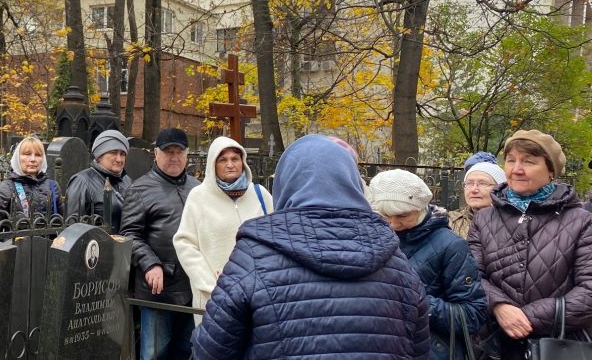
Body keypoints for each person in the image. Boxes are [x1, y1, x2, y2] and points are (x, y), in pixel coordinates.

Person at [192, 134, 430, 359]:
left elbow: (210, 351)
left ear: (286, 182)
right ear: (351, 181)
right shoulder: (397, 262)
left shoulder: (254, 256)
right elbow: (418, 349)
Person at [468, 130, 592, 359]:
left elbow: (589, 290)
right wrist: (499, 306)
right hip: (495, 346)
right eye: (511, 160)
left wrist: (527, 317)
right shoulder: (485, 218)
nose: (517, 169)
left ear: (551, 171)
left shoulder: (581, 221)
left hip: (558, 346)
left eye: (529, 161)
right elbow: (471, 276)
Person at [368, 169, 487, 360]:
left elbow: (472, 315)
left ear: (421, 207)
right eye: (385, 216)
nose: (393, 224)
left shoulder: (451, 246)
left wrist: (417, 301)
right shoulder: (370, 240)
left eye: (403, 216)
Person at [119, 127, 201, 360]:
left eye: (179, 152)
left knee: (187, 350)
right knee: (155, 352)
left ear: (187, 155)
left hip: (192, 285)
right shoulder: (140, 189)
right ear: (156, 154)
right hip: (158, 289)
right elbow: (130, 234)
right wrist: (151, 264)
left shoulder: (198, 188)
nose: (174, 157)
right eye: (168, 152)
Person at [173, 136, 272, 326]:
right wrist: (210, 284)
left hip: (259, 296)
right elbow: (185, 243)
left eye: (235, 159)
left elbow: (276, 237)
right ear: (213, 164)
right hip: (214, 298)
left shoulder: (260, 195)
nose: (230, 165)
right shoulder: (199, 197)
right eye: (222, 160)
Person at [67, 130, 131, 232]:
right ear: (99, 156)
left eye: (122, 154)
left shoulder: (126, 180)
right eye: (113, 152)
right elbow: (72, 226)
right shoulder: (81, 181)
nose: (119, 159)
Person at [0, 136, 62, 218]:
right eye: (27, 154)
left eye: (38, 155)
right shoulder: (5, 189)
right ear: (17, 157)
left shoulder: (53, 186)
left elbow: (61, 223)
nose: (33, 159)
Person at [449, 161, 506, 238]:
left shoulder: (512, 225)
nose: (474, 189)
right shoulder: (450, 222)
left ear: (500, 188)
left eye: (483, 183)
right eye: (469, 183)